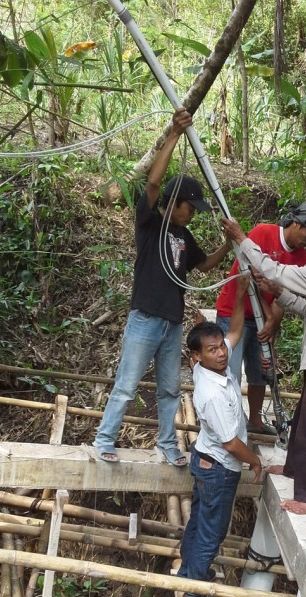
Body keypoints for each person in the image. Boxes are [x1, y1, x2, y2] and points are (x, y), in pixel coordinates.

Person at [94, 108, 232, 465]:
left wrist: (229, 245)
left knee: (170, 389)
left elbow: (204, 265)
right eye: (189, 207)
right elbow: (153, 184)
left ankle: (168, 444)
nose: (192, 213)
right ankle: (105, 439)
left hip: (172, 322)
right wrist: (174, 134)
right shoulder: (150, 223)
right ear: (174, 202)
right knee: (127, 385)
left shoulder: (184, 235)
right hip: (145, 318)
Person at [222, 216, 306, 515]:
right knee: (304, 420)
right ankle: (293, 467)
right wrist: (277, 290)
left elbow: (276, 269)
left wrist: (242, 238)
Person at [177, 276, 262, 597]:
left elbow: (236, 331)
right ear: (197, 356)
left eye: (221, 347)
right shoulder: (211, 392)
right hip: (218, 468)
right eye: (212, 350)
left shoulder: (207, 367)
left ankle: (189, 571)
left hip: (205, 460)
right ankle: (196, 589)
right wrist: (254, 460)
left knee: (199, 521)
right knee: (212, 531)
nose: (222, 353)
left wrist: (239, 295)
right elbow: (230, 444)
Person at [215, 202, 306, 435]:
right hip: (233, 311)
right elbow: (250, 275)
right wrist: (268, 316)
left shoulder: (301, 258)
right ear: (296, 224)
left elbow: (282, 297)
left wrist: (271, 325)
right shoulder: (263, 233)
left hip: (261, 320)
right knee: (229, 370)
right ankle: (230, 425)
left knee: (260, 369)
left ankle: (255, 420)